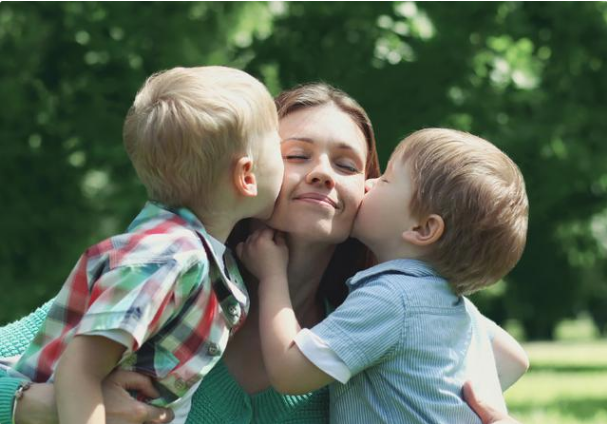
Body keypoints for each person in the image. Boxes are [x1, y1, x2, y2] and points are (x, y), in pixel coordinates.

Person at [0, 83, 523, 424]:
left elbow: (492, 350)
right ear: (247, 173)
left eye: (348, 165)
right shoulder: (164, 280)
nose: (321, 172)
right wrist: (38, 407)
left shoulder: (371, 320)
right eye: (296, 155)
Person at [1, 65, 284, 424]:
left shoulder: (198, 259)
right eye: (282, 148)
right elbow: (79, 370)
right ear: (247, 176)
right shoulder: (165, 259)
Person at [238, 128, 530, 423]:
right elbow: (515, 359)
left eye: (387, 179)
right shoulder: (451, 306)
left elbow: (290, 372)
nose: (369, 183)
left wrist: (272, 275)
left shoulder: (391, 299)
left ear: (422, 229)